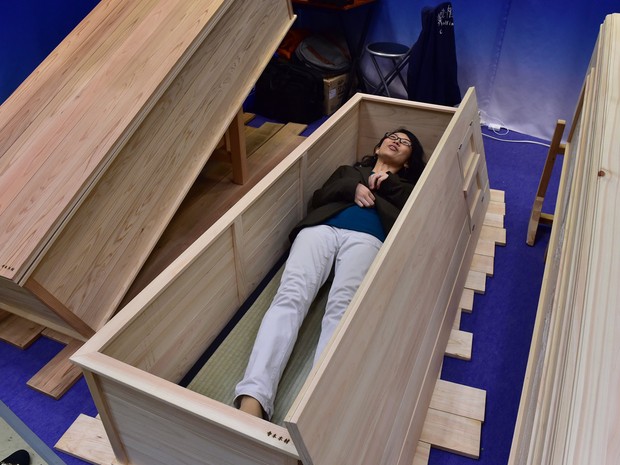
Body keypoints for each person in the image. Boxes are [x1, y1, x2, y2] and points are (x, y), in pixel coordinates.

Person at [234, 128, 425, 420]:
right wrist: (352, 189)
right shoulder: (348, 172)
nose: (396, 142)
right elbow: (319, 197)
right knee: (290, 296)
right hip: (321, 229)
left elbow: (412, 213)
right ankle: (253, 397)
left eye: (404, 142)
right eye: (392, 137)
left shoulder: (408, 187)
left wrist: (386, 185)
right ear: (377, 147)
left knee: (342, 309)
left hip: (368, 238)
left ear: (409, 160)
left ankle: (314, 408)